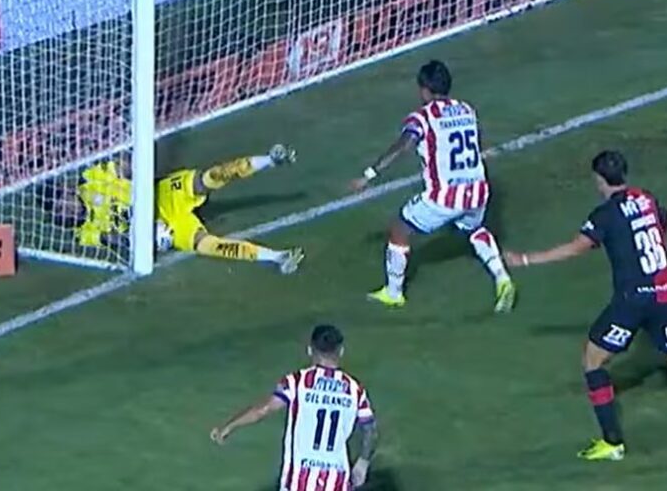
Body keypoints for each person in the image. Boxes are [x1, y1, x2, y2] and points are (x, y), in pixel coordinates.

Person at [504, 150, 667, 462]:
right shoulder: (647, 199)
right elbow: (666, 221)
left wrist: (526, 259)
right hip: (665, 296)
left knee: (593, 359)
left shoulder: (604, 215)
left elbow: (578, 247)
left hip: (633, 302)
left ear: (599, 179)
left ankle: (612, 442)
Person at [350, 60, 515, 312]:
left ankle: (394, 293)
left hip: (445, 196)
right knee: (475, 229)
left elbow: (404, 145)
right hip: (478, 190)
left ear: (425, 90)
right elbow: (477, 142)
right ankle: (502, 278)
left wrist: (369, 174)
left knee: (400, 228)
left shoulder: (423, 117)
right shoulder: (466, 109)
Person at [41, 144, 303, 273]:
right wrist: (149, 237)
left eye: (62, 196)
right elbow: (116, 241)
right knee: (209, 246)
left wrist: (134, 171)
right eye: (58, 207)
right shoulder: (83, 232)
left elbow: (125, 165)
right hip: (166, 227)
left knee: (209, 177)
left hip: (162, 196)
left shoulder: (91, 179)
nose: (64, 204)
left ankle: (271, 159)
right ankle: (277, 257)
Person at [211, 324, 379, 490]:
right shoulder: (354, 389)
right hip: (336, 482)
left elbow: (264, 409)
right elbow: (370, 429)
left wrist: (229, 426)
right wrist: (363, 463)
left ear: (310, 350)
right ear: (341, 351)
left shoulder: (297, 382)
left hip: (299, 482)